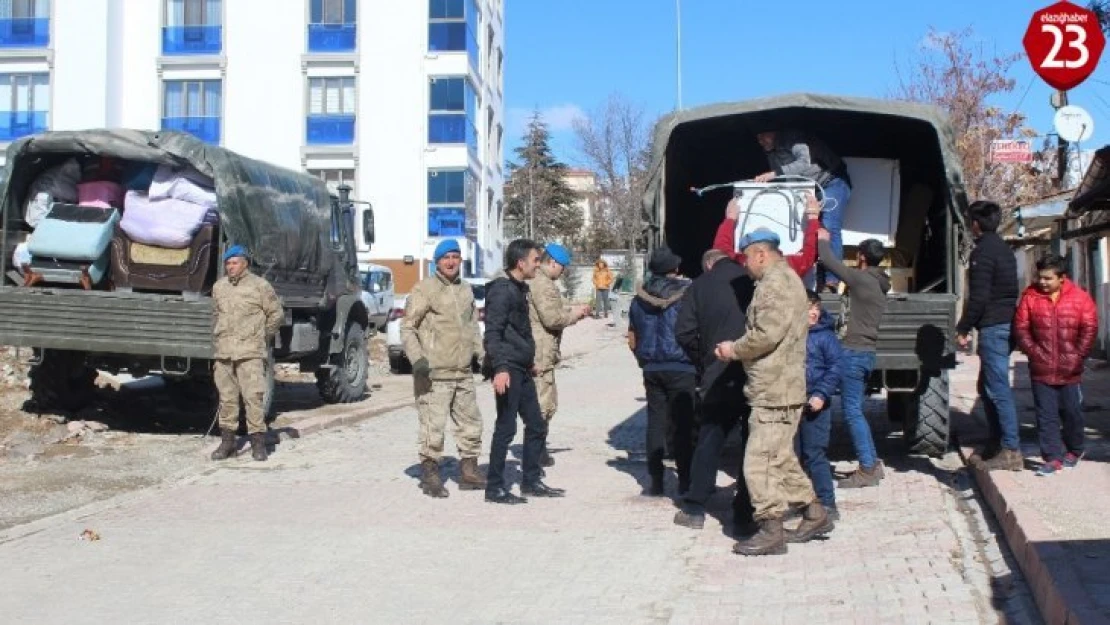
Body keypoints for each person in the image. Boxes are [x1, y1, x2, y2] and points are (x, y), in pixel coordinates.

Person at [715, 228, 831, 556]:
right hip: (782, 385)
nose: (746, 264)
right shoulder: (787, 279)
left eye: (747, 257)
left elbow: (765, 335)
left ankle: (771, 529)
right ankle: (814, 513)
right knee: (779, 458)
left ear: (761, 254)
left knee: (758, 462)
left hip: (775, 387)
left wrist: (732, 350)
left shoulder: (775, 285)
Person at [673, 248, 756, 531]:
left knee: (709, 439)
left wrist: (705, 358)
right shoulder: (751, 279)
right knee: (751, 443)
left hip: (717, 372)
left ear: (709, 265)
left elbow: (683, 332)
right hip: (753, 373)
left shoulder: (700, 285)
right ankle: (744, 513)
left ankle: (696, 507)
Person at [401, 239, 487, 498]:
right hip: (433, 374)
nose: (451, 262)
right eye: (446, 257)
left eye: (455, 257)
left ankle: (469, 471)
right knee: (432, 427)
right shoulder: (424, 290)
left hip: (462, 372)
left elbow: (472, 328)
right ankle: (430, 476)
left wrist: (483, 357)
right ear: (436, 261)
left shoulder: (466, 290)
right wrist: (418, 360)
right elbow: (408, 328)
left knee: (471, 424)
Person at [483, 239, 564, 504]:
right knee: (505, 429)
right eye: (535, 260)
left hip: (523, 367)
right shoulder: (501, 291)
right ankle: (494, 487)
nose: (538, 265)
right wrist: (501, 368)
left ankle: (530, 481)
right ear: (521, 263)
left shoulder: (520, 288)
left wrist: (529, 360)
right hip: (508, 369)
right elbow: (493, 333)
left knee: (537, 424)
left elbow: (519, 330)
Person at [1012, 254, 1099, 476]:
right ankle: (1052, 458)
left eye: (1048, 278)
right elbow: (1021, 328)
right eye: (1040, 277)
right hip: (1041, 368)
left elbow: (1089, 328)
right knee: (1046, 415)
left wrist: (1077, 356)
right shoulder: (1030, 297)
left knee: (1072, 412)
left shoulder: (1080, 298)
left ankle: (1074, 449)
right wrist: (1034, 352)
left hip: (1070, 369)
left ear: (1062, 278)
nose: (1043, 282)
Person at [816, 230, 890, 488]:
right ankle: (871, 463)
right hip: (866, 352)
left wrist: (822, 236)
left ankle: (867, 468)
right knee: (856, 411)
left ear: (861, 257)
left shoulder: (861, 279)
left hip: (853, 353)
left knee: (851, 412)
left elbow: (828, 260)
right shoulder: (879, 281)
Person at [957, 201, 1021, 472]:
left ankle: (1010, 449)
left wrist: (963, 327)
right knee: (987, 386)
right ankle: (996, 443)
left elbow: (980, 297)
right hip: (1005, 324)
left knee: (996, 388)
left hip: (994, 326)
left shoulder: (982, 253)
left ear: (975, 223)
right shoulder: (1004, 250)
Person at [627, 247, 696, 496]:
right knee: (683, 425)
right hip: (682, 366)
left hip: (652, 367)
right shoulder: (687, 294)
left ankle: (656, 481)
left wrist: (642, 360)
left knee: (655, 423)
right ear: (674, 269)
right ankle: (685, 480)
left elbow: (632, 335)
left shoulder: (639, 298)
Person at [209, 245, 283, 462]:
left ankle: (258, 444)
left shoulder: (260, 286)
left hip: (249, 353)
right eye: (228, 263)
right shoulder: (219, 287)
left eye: (234, 263)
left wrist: (260, 337)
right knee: (227, 399)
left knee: (253, 399)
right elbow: (215, 315)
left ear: (245, 263)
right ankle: (228, 443)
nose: (230, 267)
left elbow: (276, 315)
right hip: (224, 354)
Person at [752, 128, 851, 291]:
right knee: (805, 227)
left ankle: (832, 280)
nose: (760, 142)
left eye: (762, 136)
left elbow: (804, 162)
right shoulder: (771, 152)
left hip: (833, 182)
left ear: (772, 132)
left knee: (829, 225)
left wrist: (773, 174)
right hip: (810, 188)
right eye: (758, 138)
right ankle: (810, 277)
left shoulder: (794, 138)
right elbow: (783, 179)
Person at [528, 243, 591, 467]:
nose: (562, 272)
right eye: (562, 267)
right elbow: (551, 318)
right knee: (542, 405)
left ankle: (538, 449)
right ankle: (534, 452)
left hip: (545, 354)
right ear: (552, 262)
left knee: (549, 403)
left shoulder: (543, 283)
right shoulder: (542, 284)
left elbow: (556, 309)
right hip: (540, 354)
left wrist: (572, 309)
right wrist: (573, 316)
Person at [799, 290, 843, 519]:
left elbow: (835, 368)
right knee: (793, 455)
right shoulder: (791, 335)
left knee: (815, 453)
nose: (813, 312)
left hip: (816, 403)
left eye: (816, 307)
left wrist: (821, 394)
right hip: (793, 402)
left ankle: (827, 502)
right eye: (808, 308)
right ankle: (799, 501)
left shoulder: (825, 337)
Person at [712, 193, 822, 279]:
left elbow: (721, 251)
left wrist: (730, 218)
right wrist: (813, 217)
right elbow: (810, 251)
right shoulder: (790, 265)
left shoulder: (740, 264)